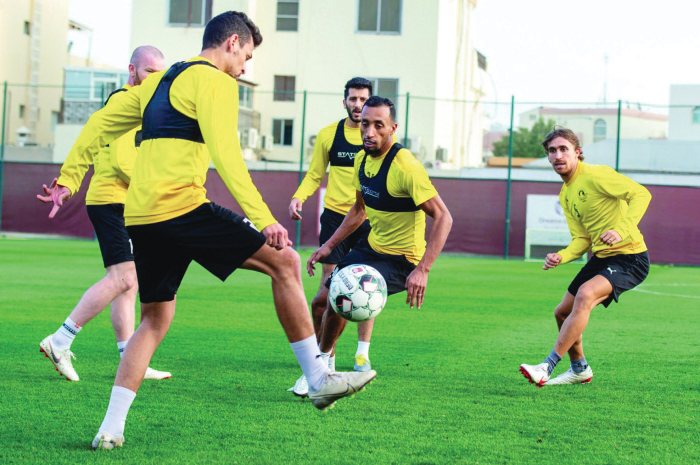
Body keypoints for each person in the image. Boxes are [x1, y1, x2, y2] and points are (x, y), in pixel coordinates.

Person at [39, 11, 376, 451]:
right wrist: (266, 218)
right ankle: (317, 378)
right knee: (286, 262)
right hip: (182, 207)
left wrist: (68, 179)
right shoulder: (216, 82)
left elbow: (101, 123)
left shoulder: (158, 82)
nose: (245, 67)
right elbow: (228, 156)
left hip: (141, 215)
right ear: (232, 42)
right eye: (247, 56)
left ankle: (110, 428)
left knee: (156, 318)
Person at [37, 46, 170, 382]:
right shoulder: (124, 103)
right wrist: (162, 186)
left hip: (124, 202)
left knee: (130, 283)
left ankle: (131, 359)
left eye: (161, 74)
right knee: (122, 278)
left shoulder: (145, 105)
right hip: (112, 200)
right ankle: (60, 339)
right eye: (151, 72)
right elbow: (125, 163)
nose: (157, 79)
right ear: (133, 70)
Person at [302, 96, 452, 374]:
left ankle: (329, 366)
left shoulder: (406, 167)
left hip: (401, 259)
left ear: (393, 128)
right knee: (324, 301)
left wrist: (423, 270)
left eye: (378, 126)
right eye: (365, 124)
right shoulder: (361, 159)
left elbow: (444, 217)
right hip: (371, 248)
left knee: (342, 295)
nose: (369, 132)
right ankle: (325, 369)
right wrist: (329, 245)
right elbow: (359, 210)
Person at [519, 127, 651, 387]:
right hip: (601, 258)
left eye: (563, 149)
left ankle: (547, 365)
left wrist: (621, 230)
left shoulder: (596, 174)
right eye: (552, 151)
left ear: (577, 153)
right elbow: (581, 239)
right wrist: (561, 256)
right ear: (547, 157)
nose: (558, 155)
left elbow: (641, 194)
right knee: (561, 312)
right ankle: (579, 368)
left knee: (586, 294)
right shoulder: (565, 194)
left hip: (630, 257)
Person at [288, 78, 388, 397]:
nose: (358, 104)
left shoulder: (378, 138)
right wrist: (299, 197)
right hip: (335, 218)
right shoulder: (329, 135)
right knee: (330, 292)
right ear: (343, 102)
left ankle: (362, 351)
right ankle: (326, 360)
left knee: (365, 286)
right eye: (353, 99)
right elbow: (315, 174)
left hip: (369, 220)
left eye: (363, 99)